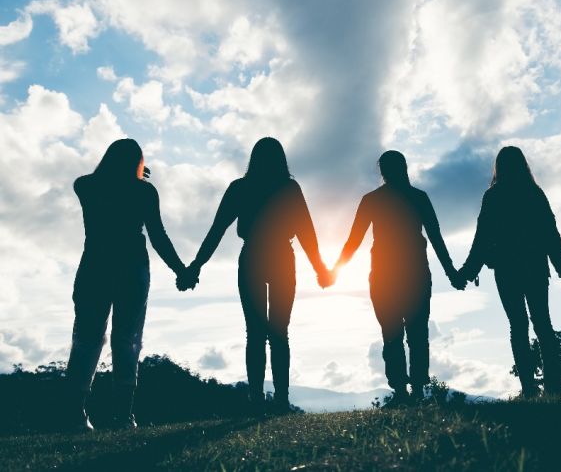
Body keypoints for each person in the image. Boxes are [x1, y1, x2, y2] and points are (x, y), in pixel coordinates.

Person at [179, 137, 332, 415]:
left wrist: (196, 266)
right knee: (279, 333)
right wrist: (320, 269)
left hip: (253, 259)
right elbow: (306, 233)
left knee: (256, 334)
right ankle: (280, 400)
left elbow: (217, 231)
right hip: (282, 259)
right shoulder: (288, 188)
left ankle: (257, 400)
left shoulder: (241, 187)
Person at [66, 138, 187, 431]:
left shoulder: (85, 186)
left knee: (87, 337)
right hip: (132, 268)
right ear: (138, 163)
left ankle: (75, 412)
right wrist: (181, 270)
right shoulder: (144, 192)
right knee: (128, 339)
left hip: (94, 266)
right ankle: (122, 414)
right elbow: (158, 235)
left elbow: (94, 183)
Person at [332, 150, 463, 405]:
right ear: (404, 167)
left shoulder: (372, 200)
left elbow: (353, 241)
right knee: (416, 333)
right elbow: (436, 238)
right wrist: (452, 273)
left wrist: (334, 270)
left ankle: (402, 391)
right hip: (414, 273)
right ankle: (414, 389)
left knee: (392, 333)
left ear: (383, 172)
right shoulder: (418, 198)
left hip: (384, 275)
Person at [457, 146, 561, 397]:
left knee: (518, 325)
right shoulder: (534, 193)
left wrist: (467, 272)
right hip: (534, 266)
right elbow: (550, 235)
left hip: (506, 269)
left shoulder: (493, 196)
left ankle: (528, 388)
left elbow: (482, 238)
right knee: (542, 323)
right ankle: (553, 385)